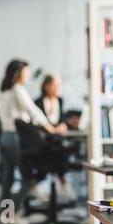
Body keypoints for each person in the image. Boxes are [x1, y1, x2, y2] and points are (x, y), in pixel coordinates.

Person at [0, 60, 66, 224]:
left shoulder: (4, 92)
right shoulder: (18, 90)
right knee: (29, 178)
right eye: (26, 72)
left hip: (4, 137)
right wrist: (51, 129)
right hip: (14, 138)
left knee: (8, 179)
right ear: (19, 74)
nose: (28, 75)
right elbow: (34, 111)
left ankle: (5, 216)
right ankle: (10, 216)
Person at [34, 74, 76, 202]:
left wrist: (63, 124)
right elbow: (38, 123)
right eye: (55, 85)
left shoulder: (60, 100)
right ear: (46, 86)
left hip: (57, 137)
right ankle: (63, 182)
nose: (58, 88)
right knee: (58, 151)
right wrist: (53, 129)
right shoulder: (38, 102)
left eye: (59, 85)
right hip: (44, 139)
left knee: (59, 149)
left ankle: (39, 183)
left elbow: (61, 119)